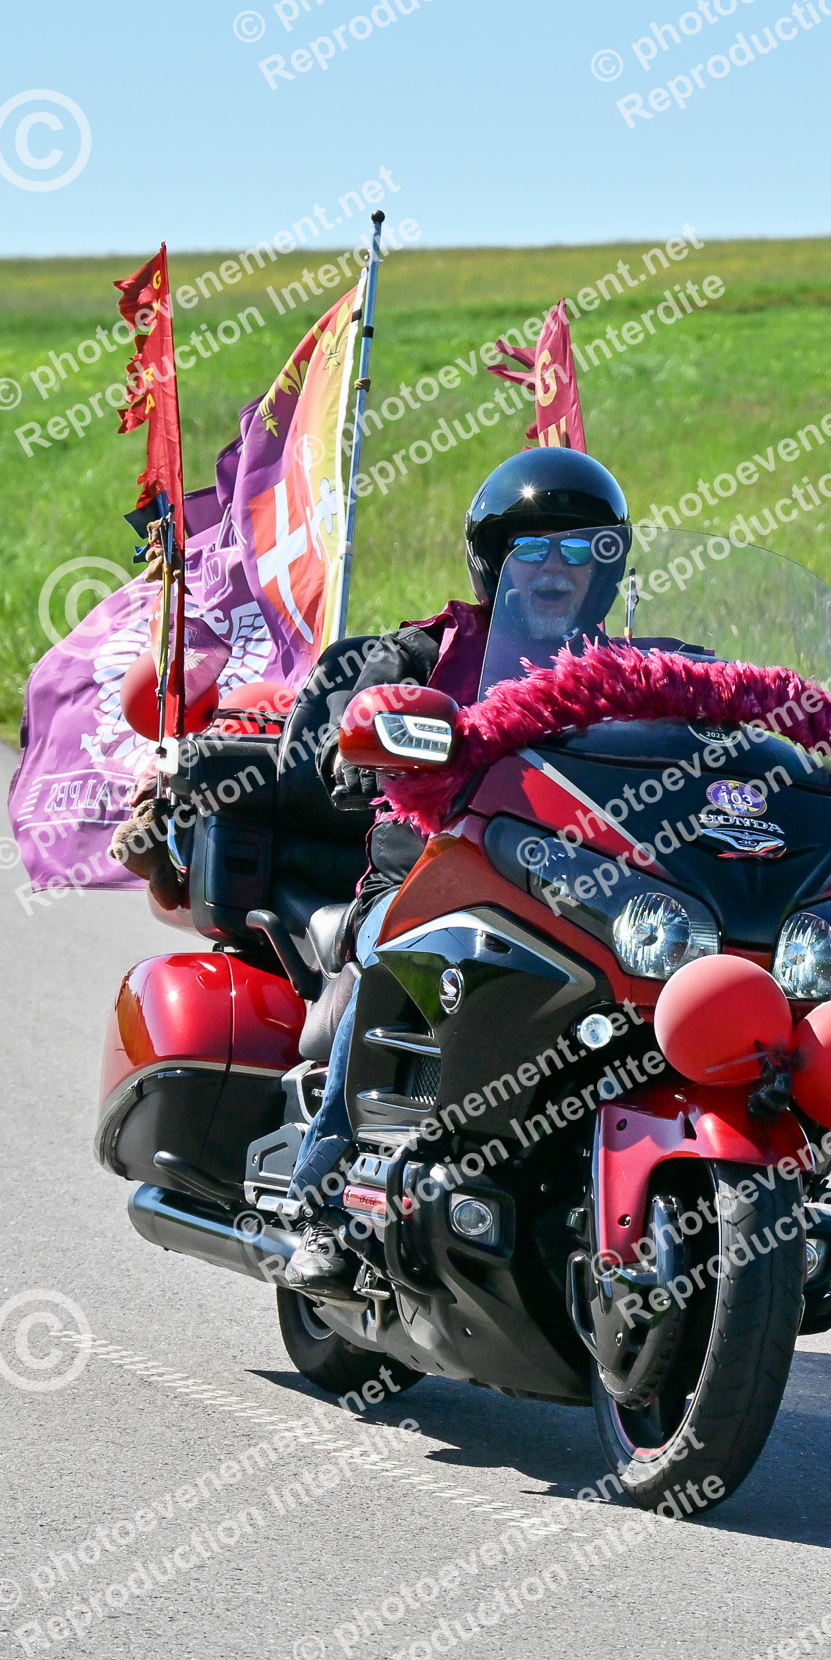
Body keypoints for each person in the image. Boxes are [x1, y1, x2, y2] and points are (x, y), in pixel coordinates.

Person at [283, 448, 629, 1290]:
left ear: (608, 567)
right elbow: (344, 738)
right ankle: (323, 1197)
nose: (556, 568)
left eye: (581, 549)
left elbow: (722, 724)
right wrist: (363, 752)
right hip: (430, 880)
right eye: (533, 549)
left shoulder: (634, 670)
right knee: (393, 947)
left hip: (590, 894)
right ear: (495, 561)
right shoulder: (426, 651)